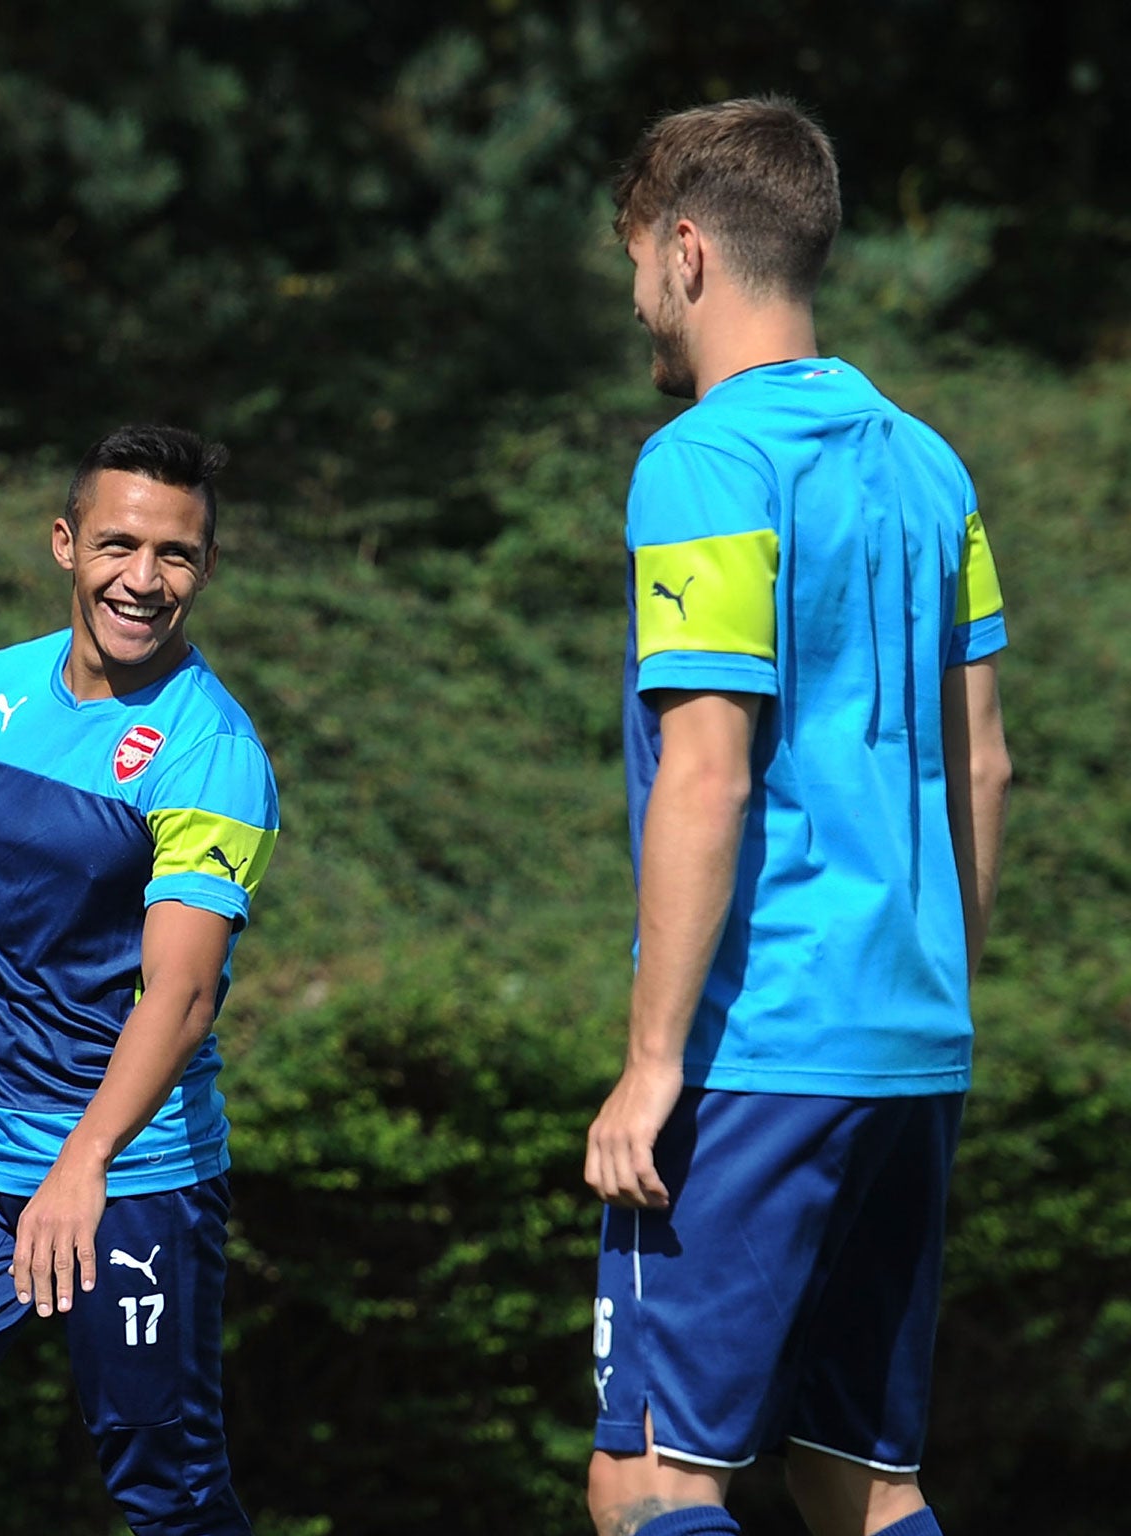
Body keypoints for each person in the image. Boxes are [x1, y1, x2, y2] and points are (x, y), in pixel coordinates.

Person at [581, 98, 1013, 1536]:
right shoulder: (932, 465)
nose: (640, 297)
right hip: (912, 1039)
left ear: (689, 253)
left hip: (760, 1046)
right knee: (863, 1482)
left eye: (641, 262)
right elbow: (987, 765)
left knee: (651, 1481)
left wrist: (653, 1064)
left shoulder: (703, 463)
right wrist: (938, 994)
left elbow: (710, 769)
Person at [0, 424, 279, 1536]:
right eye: (117, 544)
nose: (142, 579)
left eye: (175, 554)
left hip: (128, 1168)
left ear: (204, 569)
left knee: (162, 1489)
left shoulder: (210, 749)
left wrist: (84, 1160)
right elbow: (5, 905)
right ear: (63, 544)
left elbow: (178, 994)